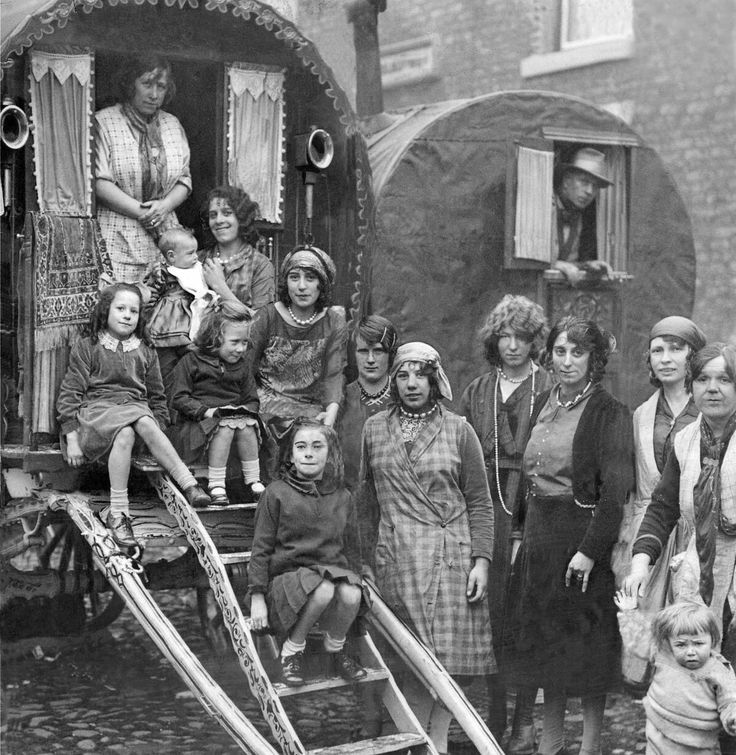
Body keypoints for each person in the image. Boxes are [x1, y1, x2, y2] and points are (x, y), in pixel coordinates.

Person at [504, 316, 634, 755]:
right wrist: (522, 537)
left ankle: (591, 745)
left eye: (577, 352)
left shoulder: (608, 411)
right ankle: (551, 742)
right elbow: (528, 479)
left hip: (581, 538)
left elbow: (615, 493)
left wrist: (589, 552)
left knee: (586, 646)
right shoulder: (543, 400)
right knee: (547, 644)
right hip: (541, 538)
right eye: (560, 351)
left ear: (594, 359)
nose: (567, 361)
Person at [359, 342, 495, 754]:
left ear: (435, 379)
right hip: (397, 558)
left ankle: (435, 741)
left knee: (447, 662)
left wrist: (482, 561)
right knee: (411, 662)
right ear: (392, 380)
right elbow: (365, 502)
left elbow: (480, 501)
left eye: (421, 374)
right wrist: (363, 560)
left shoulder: (458, 429)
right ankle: (421, 742)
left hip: (449, 557)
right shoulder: (374, 428)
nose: (412, 383)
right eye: (403, 374)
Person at [624, 343, 736, 755]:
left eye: (725, 379)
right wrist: (640, 565)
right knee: (696, 681)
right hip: (696, 579)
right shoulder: (687, 439)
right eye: (703, 379)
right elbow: (663, 507)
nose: (713, 389)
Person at [459, 294, 553, 751]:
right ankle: (495, 715)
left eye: (522, 337)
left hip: (539, 507)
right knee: (493, 616)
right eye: (505, 337)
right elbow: (463, 456)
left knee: (526, 616)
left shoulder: (552, 386)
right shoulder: (478, 390)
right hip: (489, 509)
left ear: (536, 341)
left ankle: (524, 722)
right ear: (493, 341)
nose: (512, 346)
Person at [57, 283, 211, 548]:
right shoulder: (88, 346)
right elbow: (70, 393)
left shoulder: (145, 349)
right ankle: (119, 513)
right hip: (97, 416)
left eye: (134, 311)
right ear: (105, 311)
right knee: (129, 426)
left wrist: (156, 431)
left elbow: (157, 396)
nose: (127, 315)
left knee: (140, 420)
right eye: (120, 309)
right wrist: (71, 438)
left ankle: (188, 485)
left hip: (136, 414)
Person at [611, 316, 707, 684]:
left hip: (697, 533)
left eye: (677, 348)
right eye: (658, 350)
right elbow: (638, 488)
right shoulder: (641, 415)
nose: (666, 358)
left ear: (693, 356)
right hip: (650, 534)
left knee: (694, 638)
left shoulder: (710, 411)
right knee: (649, 645)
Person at [247, 418, 367, 686]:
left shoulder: (342, 496)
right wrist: (256, 597)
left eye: (317, 446)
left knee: (352, 591)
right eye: (301, 447)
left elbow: (352, 547)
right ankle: (292, 651)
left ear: (331, 453)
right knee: (323, 587)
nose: (309, 454)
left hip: (330, 578)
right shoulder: (276, 493)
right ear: (291, 454)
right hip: (287, 582)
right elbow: (261, 549)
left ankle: (334, 650)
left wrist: (359, 575)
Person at [95, 54, 191, 284]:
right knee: (123, 306)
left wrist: (165, 206)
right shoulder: (105, 121)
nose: (154, 94)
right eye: (147, 84)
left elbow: (185, 180)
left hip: (166, 230)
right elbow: (99, 182)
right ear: (130, 84)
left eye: (161, 86)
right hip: (118, 230)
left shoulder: (172, 124)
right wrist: (143, 212)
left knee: (167, 306)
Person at [248, 245, 348, 446]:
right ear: (286, 282)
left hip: (311, 414)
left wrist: (328, 423)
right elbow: (246, 370)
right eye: (294, 277)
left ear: (323, 284)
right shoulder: (267, 317)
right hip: (265, 414)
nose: (301, 286)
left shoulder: (333, 322)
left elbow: (333, 377)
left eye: (310, 278)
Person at [166, 301, 264, 505]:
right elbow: (178, 398)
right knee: (226, 426)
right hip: (198, 424)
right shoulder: (191, 361)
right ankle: (216, 485)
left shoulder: (242, 366)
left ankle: (254, 481)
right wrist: (207, 411)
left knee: (246, 425)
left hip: (233, 418)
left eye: (245, 343)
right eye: (235, 342)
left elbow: (252, 399)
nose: (240, 349)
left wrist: (244, 411)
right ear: (215, 338)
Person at [617, 596, 736, 754]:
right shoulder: (664, 655)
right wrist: (629, 612)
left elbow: (729, 700)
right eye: (681, 644)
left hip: (697, 744)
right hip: (658, 735)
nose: (690, 651)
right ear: (669, 642)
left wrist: (732, 717)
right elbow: (640, 640)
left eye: (698, 643)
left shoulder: (718, 670)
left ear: (712, 639)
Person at [143, 227, 218, 377]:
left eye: (196, 252)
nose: (196, 257)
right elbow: (150, 294)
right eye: (190, 253)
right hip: (168, 323)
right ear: (171, 256)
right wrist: (148, 316)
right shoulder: (163, 271)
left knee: (188, 361)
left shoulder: (197, 269)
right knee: (165, 363)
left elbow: (202, 291)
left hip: (191, 321)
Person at [338, 314, 399, 490]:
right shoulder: (341, 400)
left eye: (378, 351)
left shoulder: (403, 399)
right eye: (363, 351)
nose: (370, 359)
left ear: (390, 354)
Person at [200, 185, 275, 311]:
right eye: (213, 215)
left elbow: (261, 324)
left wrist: (220, 287)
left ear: (241, 218)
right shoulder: (197, 259)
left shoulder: (260, 265)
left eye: (227, 213)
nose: (218, 220)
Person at [553, 147, 613, 286]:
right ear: (567, 181)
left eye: (595, 186)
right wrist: (556, 264)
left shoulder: (584, 217)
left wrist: (587, 265)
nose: (589, 191)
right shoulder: (542, 206)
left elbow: (573, 264)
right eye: (584, 182)